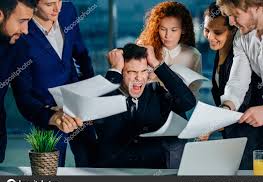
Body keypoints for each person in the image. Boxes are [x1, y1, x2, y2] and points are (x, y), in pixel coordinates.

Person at [11, 0, 96, 167]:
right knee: (51, 171)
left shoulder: (68, 10)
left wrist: (89, 93)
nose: (57, 8)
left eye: (59, 0)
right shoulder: (20, 31)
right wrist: (50, 115)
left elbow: (81, 54)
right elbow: (23, 95)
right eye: (49, 4)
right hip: (48, 113)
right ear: (33, 4)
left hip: (78, 103)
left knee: (92, 161)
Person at [94, 43, 196, 168]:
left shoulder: (155, 93)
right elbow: (100, 117)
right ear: (120, 72)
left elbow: (187, 102)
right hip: (115, 174)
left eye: (144, 71)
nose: (139, 78)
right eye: (132, 72)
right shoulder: (106, 96)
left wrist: (157, 65)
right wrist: (114, 70)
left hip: (152, 174)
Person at [202, 2, 263, 170]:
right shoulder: (242, 37)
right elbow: (237, 82)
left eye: (235, 15)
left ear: (255, 6)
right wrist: (225, 110)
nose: (232, 22)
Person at [137, 1, 202, 97]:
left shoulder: (193, 55)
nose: (167, 35)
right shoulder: (145, 50)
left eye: (174, 30)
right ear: (156, 29)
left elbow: (193, 92)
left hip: (178, 109)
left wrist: (158, 77)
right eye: (163, 29)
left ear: (183, 29)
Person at [0, 0, 36, 163]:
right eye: (22, 21)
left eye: (28, 21)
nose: (26, 30)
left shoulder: (18, 46)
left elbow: (25, 97)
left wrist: (53, 117)